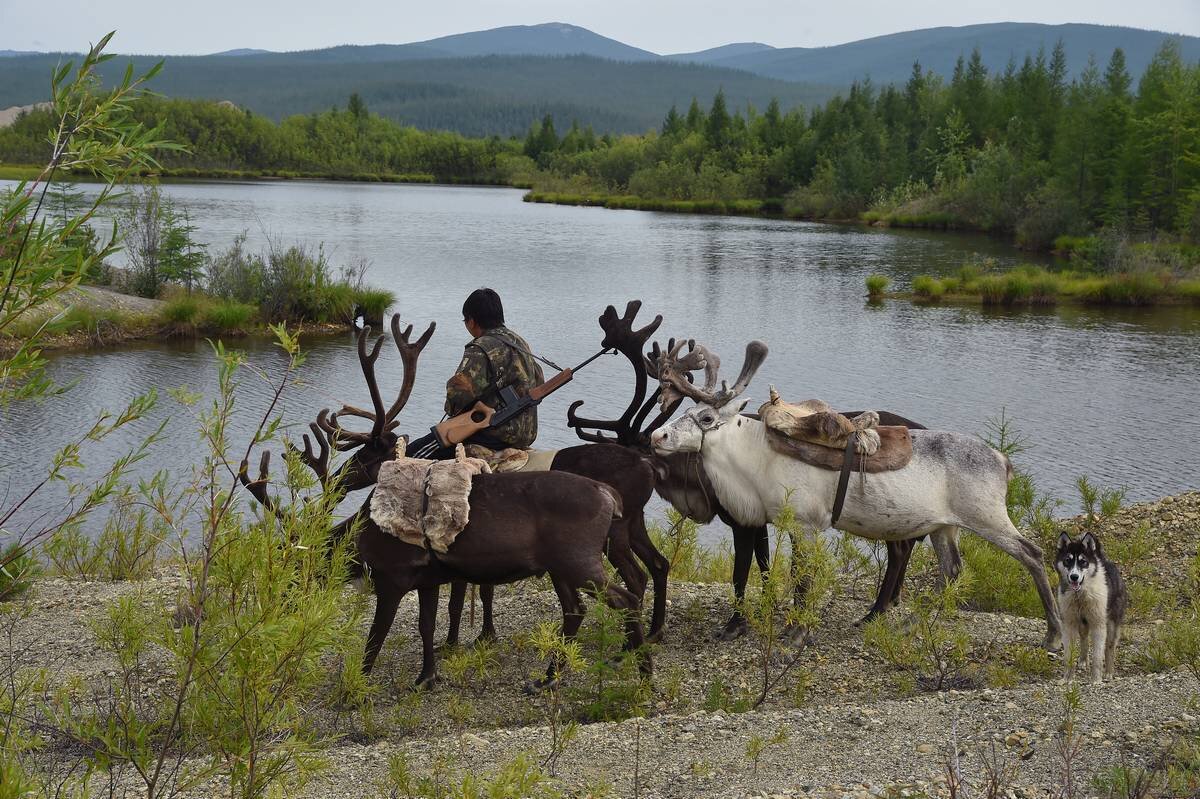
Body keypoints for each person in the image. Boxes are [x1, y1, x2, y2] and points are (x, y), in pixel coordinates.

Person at [407, 288, 544, 458]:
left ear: (471, 321)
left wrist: (455, 409)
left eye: (466, 320)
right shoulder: (519, 341)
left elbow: (458, 394)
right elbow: (538, 380)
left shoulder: (481, 348)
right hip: (527, 433)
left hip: (494, 433)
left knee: (412, 454)